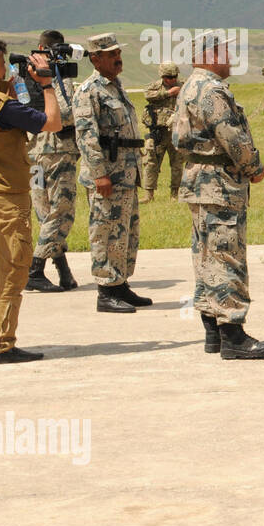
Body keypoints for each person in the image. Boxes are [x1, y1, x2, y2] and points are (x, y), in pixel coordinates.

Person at [174, 30, 264, 359]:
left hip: (200, 181)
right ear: (210, 55)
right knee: (226, 255)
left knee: (206, 255)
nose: (230, 58)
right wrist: (253, 167)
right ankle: (232, 333)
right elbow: (231, 135)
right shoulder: (210, 89)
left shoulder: (191, 84)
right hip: (218, 182)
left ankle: (212, 329)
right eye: (225, 52)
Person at [0, 36, 63, 363]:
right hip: (7, 198)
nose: (6, 68)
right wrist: (47, 85)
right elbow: (52, 122)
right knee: (13, 271)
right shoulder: (2, 107)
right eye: (2, 62)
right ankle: (3, 343)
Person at [72, 33, 151, 313]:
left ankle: (120, 284)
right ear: (95, 58)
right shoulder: (89, 90)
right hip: (108, 175)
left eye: (118, 52)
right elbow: (86, 135)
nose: (118, 58)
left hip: (127, 173)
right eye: (111, 54)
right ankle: (105, 290)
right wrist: (99, 174)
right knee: (105, 231)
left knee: (125, 232)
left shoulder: (116, 87)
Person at [24, 29, 81, 293]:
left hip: (34, 154)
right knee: (61, 212)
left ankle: (63, 271)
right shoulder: (58, 74)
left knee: (45, 213)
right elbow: (67, 113)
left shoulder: (24, 74)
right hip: (58, 151)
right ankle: (35, 270)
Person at [141, 61, 184, 203]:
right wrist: (167, 93)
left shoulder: (183, 86)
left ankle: (174, 194)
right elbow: (147, 95)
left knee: (177, 164)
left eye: (174, 77)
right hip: (158, 133)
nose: (171, 80)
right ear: (162, 76)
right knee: (151, 162)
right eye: (168, 77)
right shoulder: (155, 87)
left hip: (177, 132)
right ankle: (148, 195)